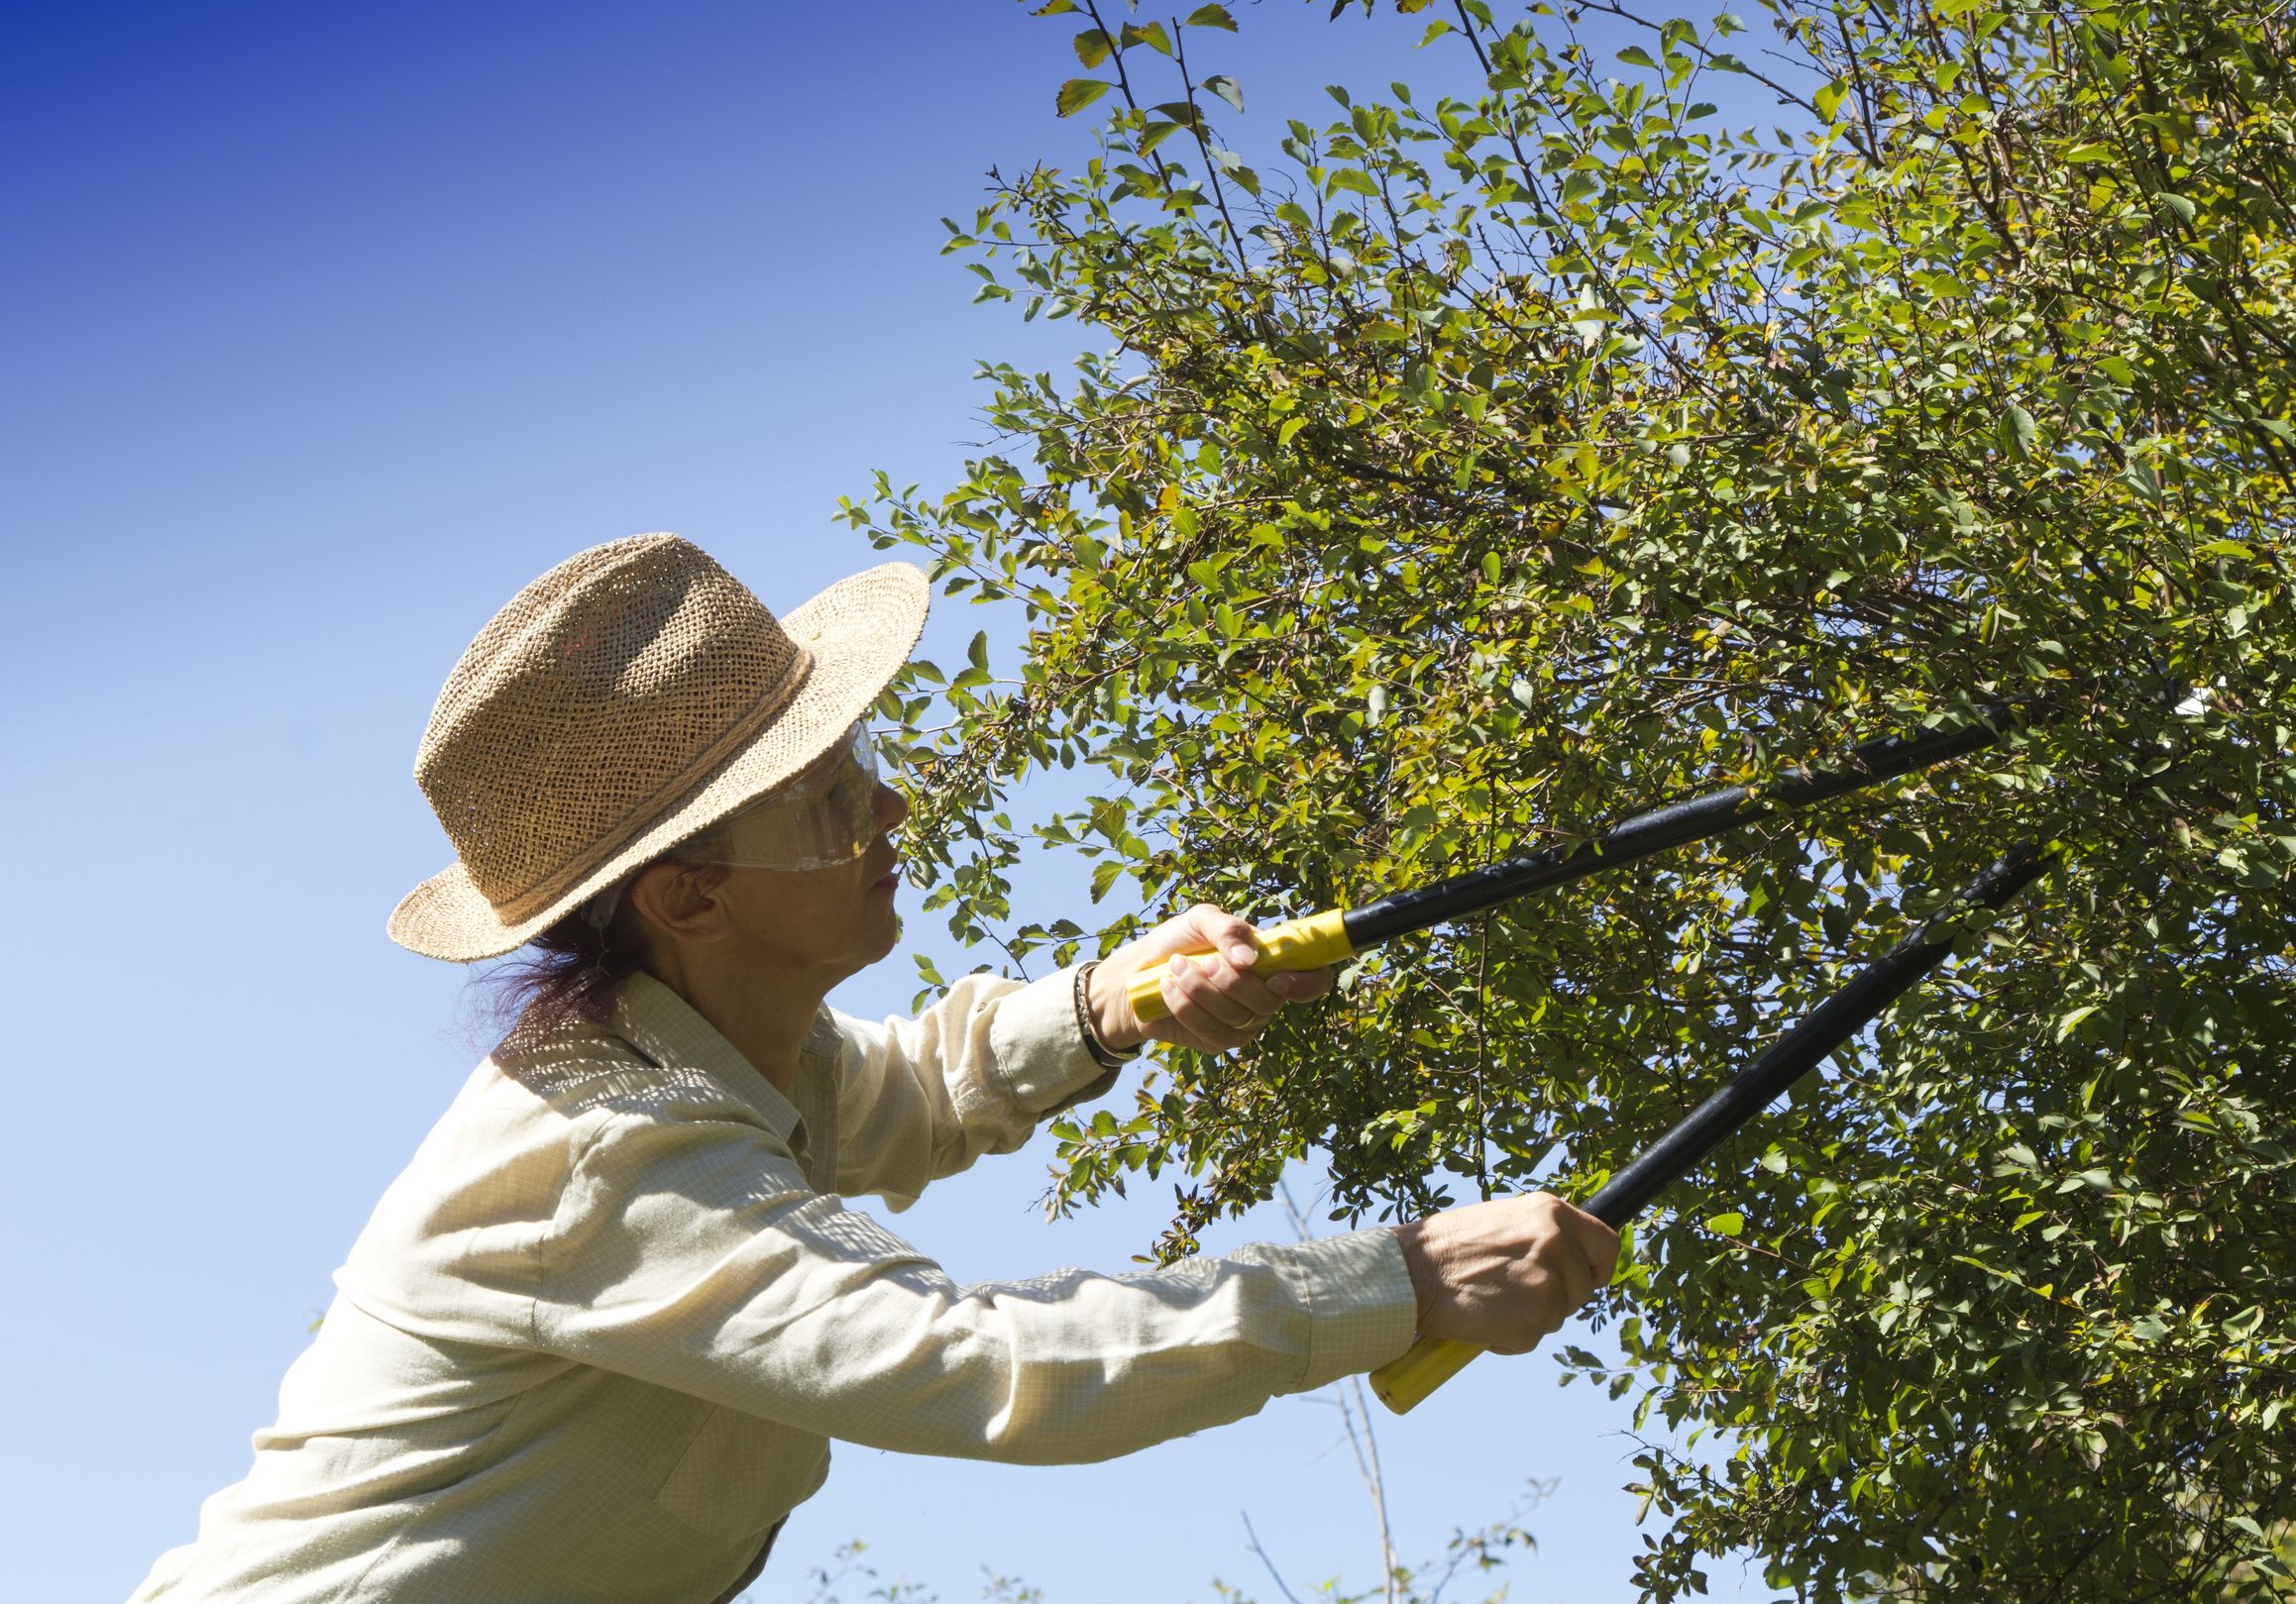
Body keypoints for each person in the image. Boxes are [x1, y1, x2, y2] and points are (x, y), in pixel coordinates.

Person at [130, 533, 1618, 1603]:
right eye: (833, 799)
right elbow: (980, 1365)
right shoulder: (608, 1155)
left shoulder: (719, 1049)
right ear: (691, 899)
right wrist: (1396, 1283)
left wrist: (1118, 1001)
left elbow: (892, 1088)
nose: (890, 805)